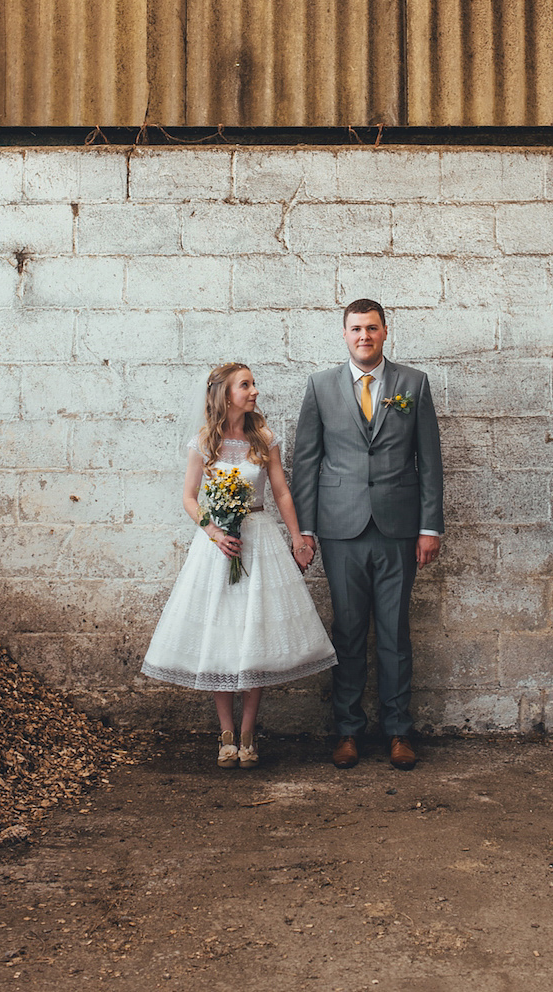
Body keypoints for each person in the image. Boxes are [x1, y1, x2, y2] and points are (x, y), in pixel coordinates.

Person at [142, 362, 337, 767]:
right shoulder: (203, 443)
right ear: (225, 394)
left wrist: (298, 537)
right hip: (219, 546)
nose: (255, 392)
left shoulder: (263, 438)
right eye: (245, 385)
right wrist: (213, 532)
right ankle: (225, 731)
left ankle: (249, 731)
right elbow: (190, 497)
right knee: (222, 634)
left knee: (256, 634)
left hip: (260, 538)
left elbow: (282, 492)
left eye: (253, 384)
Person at [291, 300, 444, 770]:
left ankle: (399, 731)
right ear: (344, 334)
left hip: (399, 530)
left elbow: (429, 460)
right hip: (341, 530)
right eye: (356, 329)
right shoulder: (320, 387)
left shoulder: (413, 384)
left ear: (384, 332)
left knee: (396, 633)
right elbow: (307, 463)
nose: (364, 336)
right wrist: (307, 530)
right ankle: (348, 732)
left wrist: (429, 526)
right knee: (349, 632)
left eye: (372, 328)